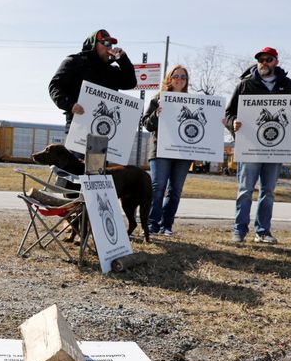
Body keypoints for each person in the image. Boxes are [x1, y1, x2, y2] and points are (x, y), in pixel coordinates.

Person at [226, 47, 291, 244]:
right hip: (250, 147)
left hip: (276, 148)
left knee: (269, 191)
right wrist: (234, 123)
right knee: (245, 190)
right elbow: (229, 113)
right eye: (261, 59)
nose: (264, 62)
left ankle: (263, 231)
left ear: (276, 62)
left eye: (269, 59)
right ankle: (239, 231)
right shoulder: (245, 85)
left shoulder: (287, 85)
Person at [49, 29, 137, 137]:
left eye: (111, 44)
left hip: (105, 133)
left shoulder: (111, 70)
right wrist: (70, 105)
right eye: (105, 43)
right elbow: (55, 86)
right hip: (78, 130)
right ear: (94, 44)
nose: (109, 47)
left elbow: (130, 83)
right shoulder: (74, 62)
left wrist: (123, 59)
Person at [140, 65, 194, 236]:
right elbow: (147, 124)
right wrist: (156, 114)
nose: (179, 79)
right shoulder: (158, 98)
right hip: (160, 150)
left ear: (186, 81)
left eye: (183, 77)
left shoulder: (194, 102)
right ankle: (152, 224)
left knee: (175, 190)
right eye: (176, 76)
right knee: (158, 187)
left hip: (183, 152)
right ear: (169, 78)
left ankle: (166, 225)